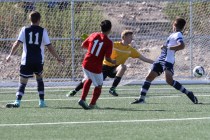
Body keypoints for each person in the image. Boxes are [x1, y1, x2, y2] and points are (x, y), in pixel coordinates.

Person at [66, 30, 154, 97]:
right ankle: (75, 90)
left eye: (132, 37)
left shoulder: (130, 50)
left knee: (123, 67)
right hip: (104, 67)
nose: (132, 38)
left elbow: (144, 58)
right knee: (89, 79)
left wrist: (156, 62)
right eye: (130, 37)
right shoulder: (113, 44)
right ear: (124, 37)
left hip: (114, 69)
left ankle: (112, 89)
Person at [131, 17, 198, 104]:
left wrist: (167, 47)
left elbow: (182, 46)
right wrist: (168, 48)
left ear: (174, 25)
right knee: (148, 78)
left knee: (169, 81)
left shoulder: (178, 34)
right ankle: (141, 98)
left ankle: (188, 93)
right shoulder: (172, 35)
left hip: (167, 61)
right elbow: (176, 47)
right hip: (161, 59)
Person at [5, 11, 64, 108]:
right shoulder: (43, 31)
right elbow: (49, 46)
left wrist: (10, 55)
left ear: (30, 19)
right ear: (39, 20)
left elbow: (17, 43)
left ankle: (17, 101)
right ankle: (41, 102)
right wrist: (58, 58)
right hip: (38, 60)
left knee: (23, 82)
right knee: (39, 79)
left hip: (26, 60)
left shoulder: (24, 30)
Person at [78, 20, 116, 110]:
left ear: (100, 28)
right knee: (99, 85)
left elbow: (83, 45)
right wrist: (113, 61)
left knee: (88, 79)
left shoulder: (93, 35)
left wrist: (92, 50)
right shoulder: (109, 42)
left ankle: (82, 99)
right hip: (96, 66)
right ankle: (92, 104)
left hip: (86, 62)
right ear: (110, 29)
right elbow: (107, 58)